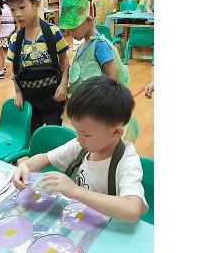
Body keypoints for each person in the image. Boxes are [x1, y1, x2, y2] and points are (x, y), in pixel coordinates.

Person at [11, 76, 148, 223]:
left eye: (86, 134)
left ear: (115, 132)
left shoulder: (127, 161)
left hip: (109, 226)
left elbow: (132, 210)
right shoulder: (82, 146)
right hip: (81, 218)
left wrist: (76, 191)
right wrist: (25, 166)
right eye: (77, 131)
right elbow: (46, 158)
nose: (78, 138)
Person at [59, 0, 140, 142]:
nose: (70, 33)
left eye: (73, 28)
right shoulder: (83, 44)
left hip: (95, 108)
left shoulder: (100, 45)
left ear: (88, 20)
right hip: (83, 106)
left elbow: (113, 78)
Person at [5, 0, 70, 136]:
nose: (18, 14)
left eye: (22, 7)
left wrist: (63, 85)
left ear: (36, 4)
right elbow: (15, 69)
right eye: (12, 9)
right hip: (29, 98)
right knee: (33, 134)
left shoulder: (52, 32)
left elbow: (64, 60)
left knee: (54, 134)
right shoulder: (15, 39)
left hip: (53, 95)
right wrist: (18, 92)